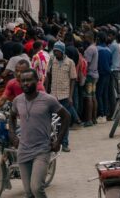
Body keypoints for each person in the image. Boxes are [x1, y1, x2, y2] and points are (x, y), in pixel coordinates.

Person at [9, 69, 70, 198]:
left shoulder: (48, 100)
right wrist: (13, 135)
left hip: (42, 150)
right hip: (23, 150)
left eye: (29, 80)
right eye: (23, 81)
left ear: (37, 81)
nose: (25, 83)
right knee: (28, 192)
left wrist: (59, 141)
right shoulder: (17, 100)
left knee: (36, 188)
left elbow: (66, 117)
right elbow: (12, 117)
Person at [45, 42, 79, 151]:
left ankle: (65, 143)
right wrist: (46, 90)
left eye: (57, 51)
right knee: (53, 121)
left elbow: (73, 79)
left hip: (64, 95)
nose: (55, 53)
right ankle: (53, 142)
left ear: (62, 51)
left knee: (65, 120)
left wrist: (70, 96)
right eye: (54, 51)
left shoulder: (70, 63)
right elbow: (48, 76)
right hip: (53, 95)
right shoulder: (51, 60)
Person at [95, 32, 113, 121]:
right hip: (108, 73)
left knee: (99, 94)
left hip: (101, 74)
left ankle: (101, 114)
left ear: (98, 39)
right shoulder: (109, 50)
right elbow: (110, 63)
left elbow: (97, 63)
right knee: (105, 94)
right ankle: (105, 113)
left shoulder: (97, 49)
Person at [82, 31, 99, 127]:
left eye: (85, 38)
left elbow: (86, 64)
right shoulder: (94, 48)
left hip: (89, 75)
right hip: (95, 75)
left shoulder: (89, 49)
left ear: (89, 38)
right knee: (93, 96)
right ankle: (94, 118)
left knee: (88, 97)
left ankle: (89, 120)